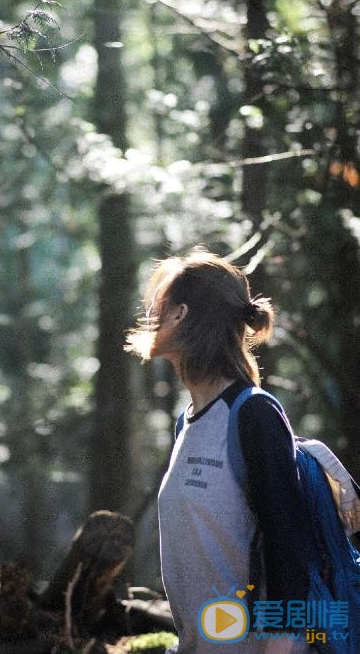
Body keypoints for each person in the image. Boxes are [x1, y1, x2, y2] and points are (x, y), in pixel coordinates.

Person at [125, 248, 313, 653]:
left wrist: (282, 645)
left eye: (160, 303)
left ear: (181, 314)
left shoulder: (253, 414)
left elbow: (289, 544)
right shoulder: (189, 421)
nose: (151, 313)